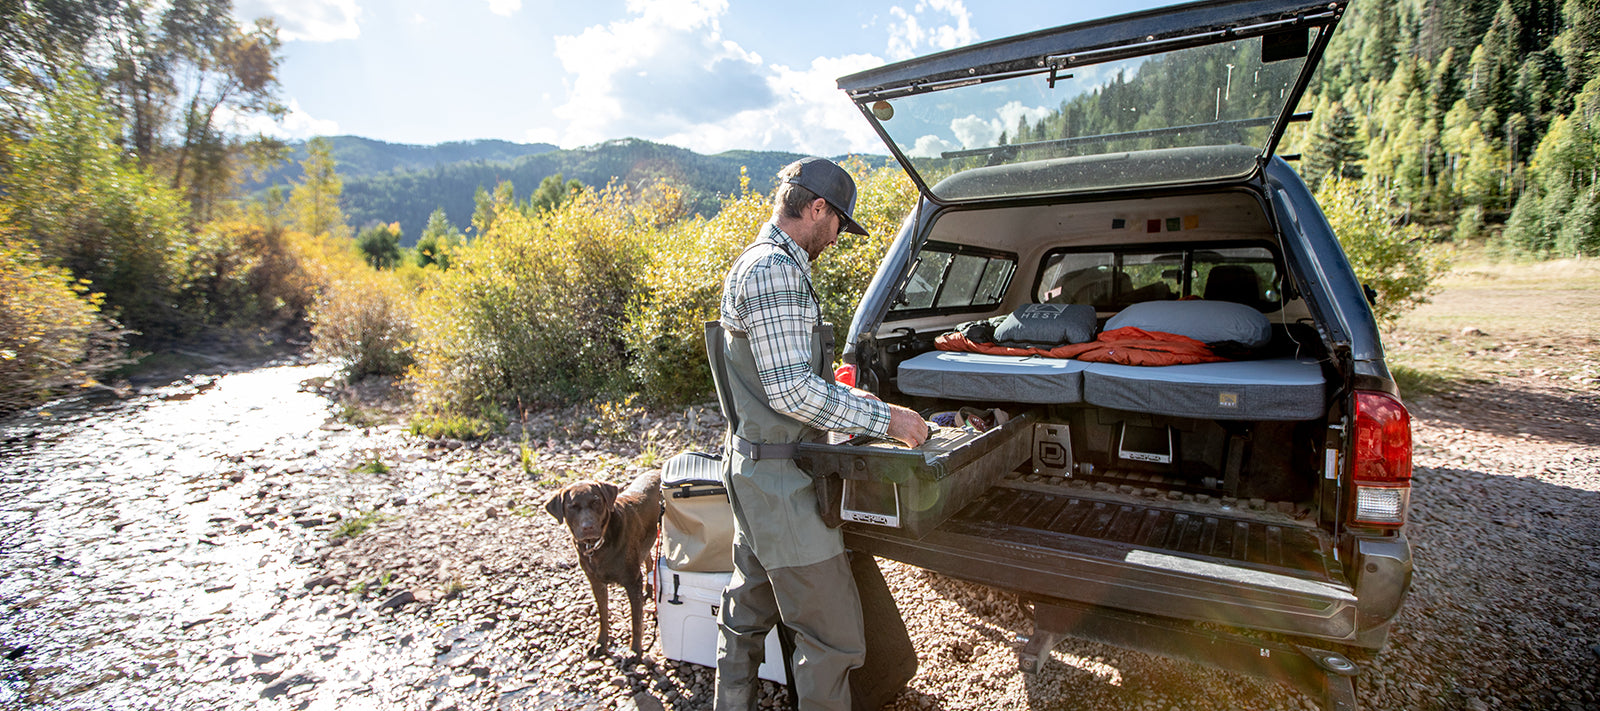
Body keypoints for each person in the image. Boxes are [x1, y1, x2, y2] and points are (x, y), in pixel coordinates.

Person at [712, 157, 928, 711]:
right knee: (831, 642)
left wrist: (852, 400)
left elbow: (780, 376)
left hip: (755, 473)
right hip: (784, 486)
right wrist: (891, 421)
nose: (836, 238)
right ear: (816, 209)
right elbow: (790, 393)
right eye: (838, 224)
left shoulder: (757, 263)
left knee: (746, 616)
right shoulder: (775, 271)